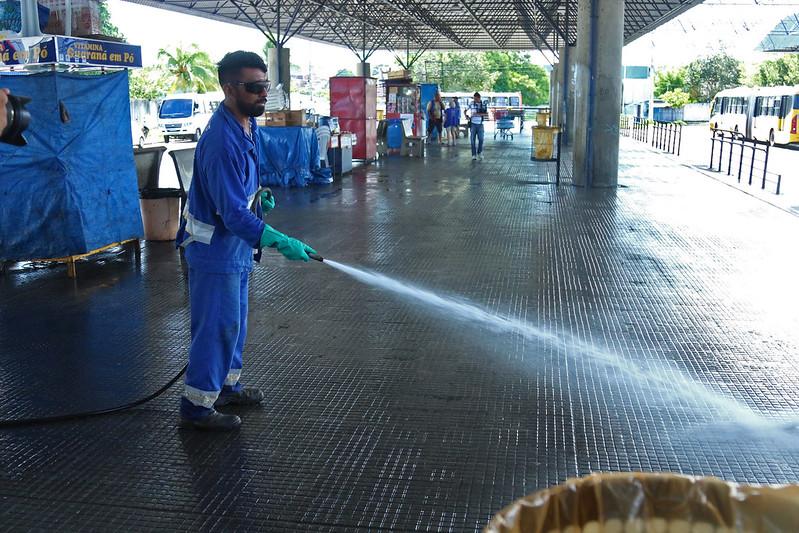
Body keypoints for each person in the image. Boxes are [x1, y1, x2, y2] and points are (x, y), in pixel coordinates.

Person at [175, 51, 317, 431]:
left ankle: (224, 388)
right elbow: (231, 213)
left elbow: (239, 196)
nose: (262, 95)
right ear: (228, 88)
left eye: (265, 86)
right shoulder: (222, 140)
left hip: (233, 249)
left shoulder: (245, 127)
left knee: (233, 324)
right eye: (254, 88)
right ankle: (196, 407)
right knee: (216, 327)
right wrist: (275, 238)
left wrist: (259, 196)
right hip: (213, 250)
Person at [465, 92, 488, 160]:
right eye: (474, 99)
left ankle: (479, 152)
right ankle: (473, 154)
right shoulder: (471, 103)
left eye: (476, 99)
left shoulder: (483, 104)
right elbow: (465, 110)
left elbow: (485, 114)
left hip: (480, 124)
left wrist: (477, 114)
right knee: (472, 140)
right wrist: (466, 116)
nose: (475, 100)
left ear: (479, 98)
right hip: (473, 124)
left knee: (481, 139)